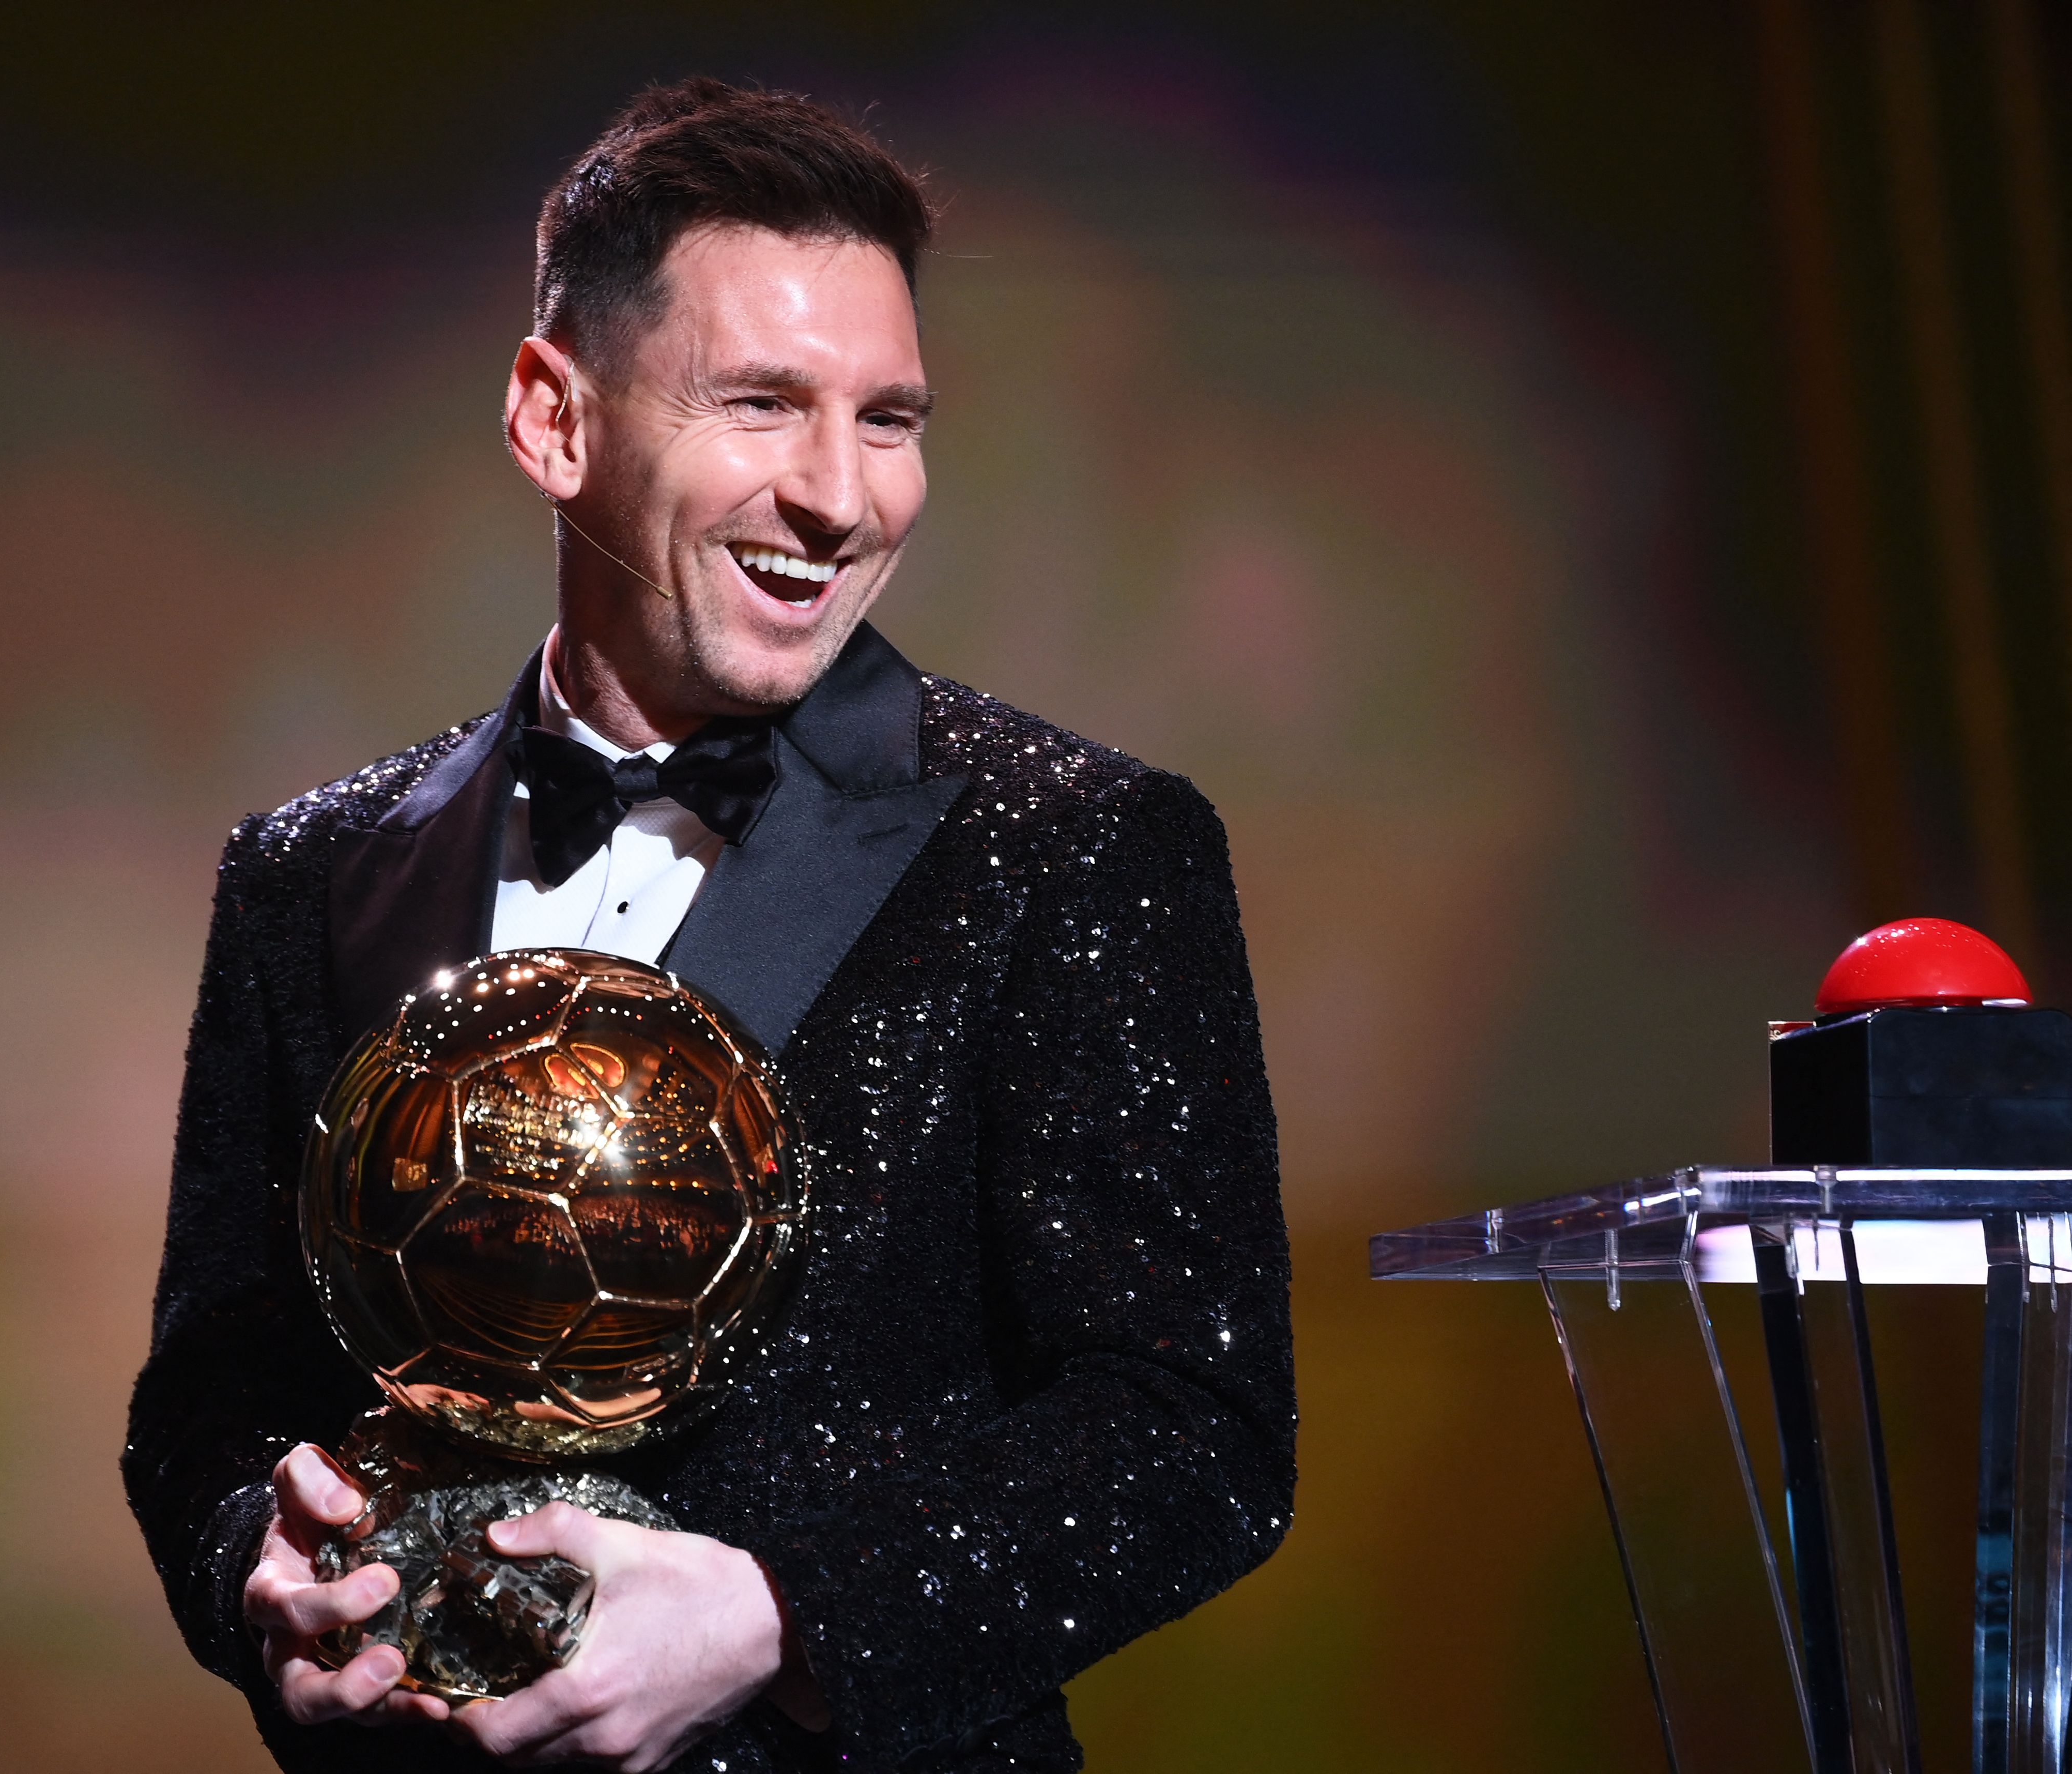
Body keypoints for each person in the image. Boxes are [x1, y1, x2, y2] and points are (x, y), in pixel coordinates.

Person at [125, 77, 1295, 1774]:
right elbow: (209, 1400)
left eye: (889, 420)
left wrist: (776, 1610)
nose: (842, 497)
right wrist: (259, 1566)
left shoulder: (1081, 849)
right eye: (762, 404)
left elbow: (1193, 1432)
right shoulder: (304, 876)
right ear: (552, 418)